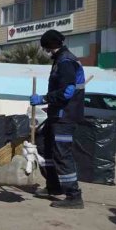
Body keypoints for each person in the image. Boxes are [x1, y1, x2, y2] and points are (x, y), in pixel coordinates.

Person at [30, 29, 86, 209]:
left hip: (65, 117)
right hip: (56, 115)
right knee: (44, 147)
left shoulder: (66, 62)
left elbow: (67, 92)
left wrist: (44, 99)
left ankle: (74, 196)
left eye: (46, 48)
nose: (45, 51)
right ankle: (53, 186)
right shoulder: (59, 60)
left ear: (52, 45)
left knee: (62, 154)